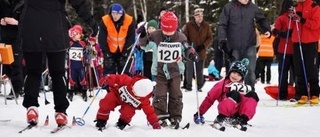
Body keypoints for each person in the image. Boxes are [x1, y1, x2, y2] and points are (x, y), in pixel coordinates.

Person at [19, 0, 98, 127]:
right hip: (55, 27)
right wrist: (91, 22)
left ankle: (31, 107)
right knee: (58, 73)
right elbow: (78, 3)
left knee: (32, 71)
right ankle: (61, 111)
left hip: (31, 26)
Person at [139, 11, 197, 129]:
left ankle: (175, 116)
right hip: (160, 72)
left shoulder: (180, 37)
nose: (168, 33)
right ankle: (160, 116)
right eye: (166, 31)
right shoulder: (155, 36)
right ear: (161, 27)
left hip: (175, 72)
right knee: (159, 94)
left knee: (176, 94)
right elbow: (144, 46)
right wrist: (143, 35)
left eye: (171, 31)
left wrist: (190, 53)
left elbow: (186, 48)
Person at [218, 0, 271, 92]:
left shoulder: (252, 7)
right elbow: (222, 24)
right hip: (234, 46)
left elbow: (261, 19)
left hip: (249, 45)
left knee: (250, 71)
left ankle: (249, 93)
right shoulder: (229, 7)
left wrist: (266, 29)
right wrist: (222, 40)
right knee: (234, 72)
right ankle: (233, 93)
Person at [193, 58, 259, 130]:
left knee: (252, 95)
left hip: (238, 113)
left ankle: (242, 120)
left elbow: (245, 102)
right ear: (230, 72)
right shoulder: (221, 85)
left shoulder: (242, 87)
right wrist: (199, 114)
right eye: (234, 73)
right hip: (226, 111)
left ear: (242, 78)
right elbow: (209, 99)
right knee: (234, 94)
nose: (235, 76)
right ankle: (221, 118)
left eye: (239, 75)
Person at [94, 74, 161, 131]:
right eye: (133, 89)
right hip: (117, 94)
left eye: (136, 94)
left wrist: (155, 122)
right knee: (107, 102)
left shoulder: (144, 100)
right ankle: (101, 120)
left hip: (129, 104)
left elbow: (150, 112)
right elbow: (116, 78)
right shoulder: (127, 80)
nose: (133, 92)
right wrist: (107, 79)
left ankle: (122, 123)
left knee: (128, 112)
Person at [289, 0, 320, 104]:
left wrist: (302, 20)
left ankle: (315, 93)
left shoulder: (314, 7)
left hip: (310, 42)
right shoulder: (295, 7)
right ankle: (301, 94)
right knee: (299, 69)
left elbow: (316, 24)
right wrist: (290, 18)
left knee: (311, 68)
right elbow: (291, 26)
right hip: (297, 41)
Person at [98, 3, 135, 76]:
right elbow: (102, 39)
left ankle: (124, 86)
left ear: (121, 14)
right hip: (109, 50)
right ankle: (108, 87)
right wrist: (107, 54)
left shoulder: (129, 21)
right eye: (113, 13)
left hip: (124, 50)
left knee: (124, 75)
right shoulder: (105, 20)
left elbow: (131, 38)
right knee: (109, 75)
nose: (115, 16)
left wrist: (125, 53)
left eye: (117, 14)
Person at [182, 8, 213, 92]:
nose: (200, 17)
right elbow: (184, 37)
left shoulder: (206, 25)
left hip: (201, 50)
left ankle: (199, 86)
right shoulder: (188, 25)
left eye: (201, 15)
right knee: (189, 68)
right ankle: (188, 86)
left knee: (200, 70)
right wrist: (188, 47)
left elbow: (210, 38)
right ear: (195, 16)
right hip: (190, 51)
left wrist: (204, 45)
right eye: (198, 15)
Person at [0, 0, 24, 100]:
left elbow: (29, 20)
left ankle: (17, 89)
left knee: (15, 64)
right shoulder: (2, 2)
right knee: (3, 63)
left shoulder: (23, 3)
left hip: (17, 38)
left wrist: (17, 22)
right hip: (3, 35)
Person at [272, 0, 295, 100]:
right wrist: (283, 33)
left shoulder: (295, 17)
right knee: (285, 72)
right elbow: (275, 32)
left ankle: (295, 92)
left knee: (290, 72)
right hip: (284, 49)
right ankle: (283, 94)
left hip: (294, 49)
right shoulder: (282, 18)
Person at [67, 25, 88, 102]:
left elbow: (86, 53)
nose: (81, 35)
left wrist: (89, 56)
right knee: (72, 79)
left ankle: (84, 91)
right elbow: (66, 53)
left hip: (80, 65)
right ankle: (70, 92)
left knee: (82, 79)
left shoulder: (82, 44)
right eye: (79, 34)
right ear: (74, 34)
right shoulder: (70, 44)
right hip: (72, 66)